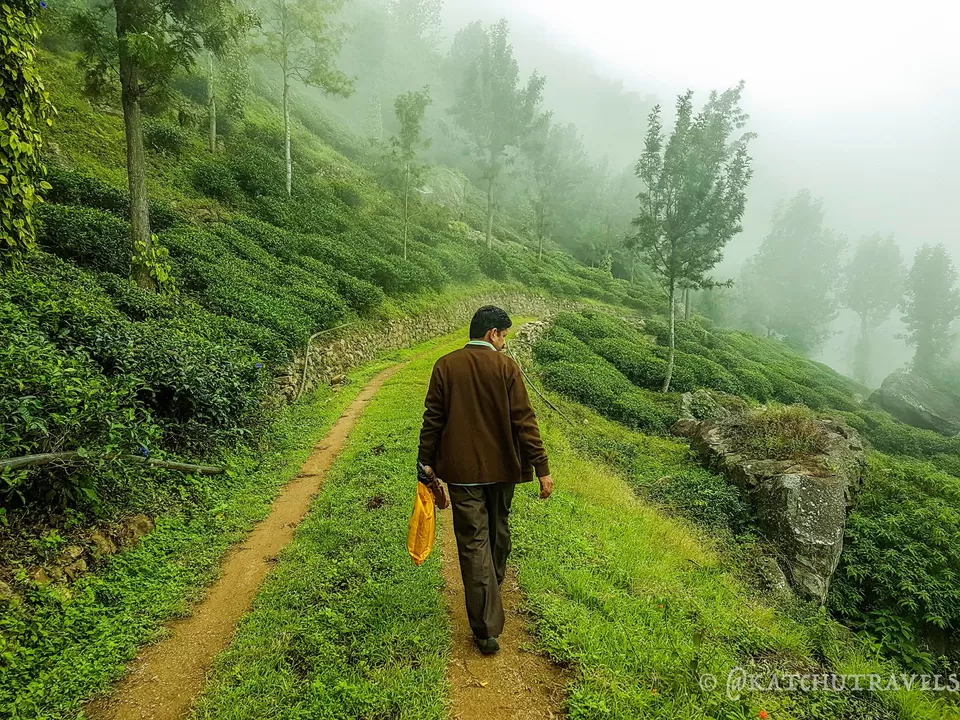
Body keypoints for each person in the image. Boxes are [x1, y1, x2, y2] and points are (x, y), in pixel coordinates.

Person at [417, 305, 553, 656]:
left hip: (462, 474)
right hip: (503, 469)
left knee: (473, 540)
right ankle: (491, 597)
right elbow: (525, 421)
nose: (505, 342)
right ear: (492, 333)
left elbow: (433, 420)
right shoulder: (506, 368)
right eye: (505, 335)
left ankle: (485, 625)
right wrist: (542, 467)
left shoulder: (445, 366)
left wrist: (426, 464)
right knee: (498, 529)